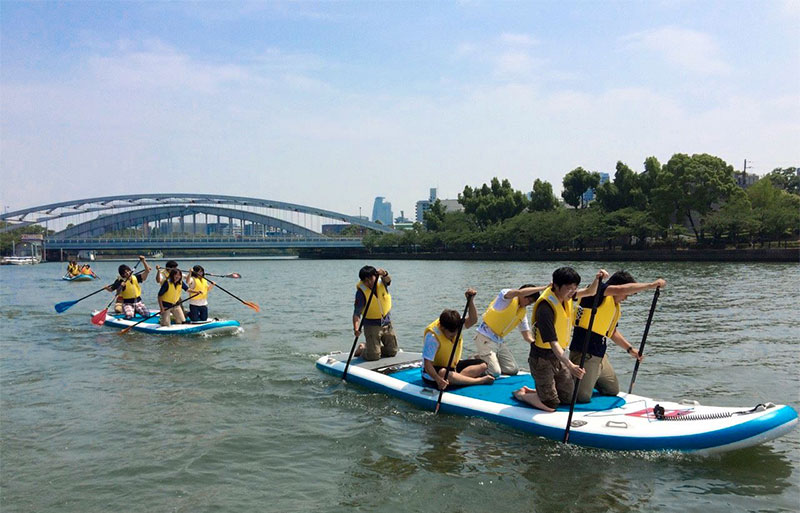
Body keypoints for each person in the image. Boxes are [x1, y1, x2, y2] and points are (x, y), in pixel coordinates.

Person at [514, 267, 607, 412]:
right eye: (569, 288)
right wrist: (570, 366)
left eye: (575, 288)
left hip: (558, 357)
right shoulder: (545, 308)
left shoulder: (566, 296)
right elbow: (553, 343)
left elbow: (590, 292)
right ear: (555, 286)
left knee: (569, 399)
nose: (573, 292)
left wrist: (597, 280)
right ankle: (522, 395)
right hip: (542, 360)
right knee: (550, 405)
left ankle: (538, 391)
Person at [569, 271, 667, 403]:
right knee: (581, 398)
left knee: (612, 390)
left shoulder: (614, 306)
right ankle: (573, 378)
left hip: (600, 356)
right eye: (626, 295)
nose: (625, 298)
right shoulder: (595, 293)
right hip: (584, 354)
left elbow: (612, 332)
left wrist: (630, 349)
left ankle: (590, 377)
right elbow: (622, 288)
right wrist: (651, 285)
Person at [422, 289, 495, 389]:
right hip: (434, 373)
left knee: (483, 365)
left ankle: (457, 379)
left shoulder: (456, 323)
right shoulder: (432, 337)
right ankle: (477, 381)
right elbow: (427, 365)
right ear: (443, 328)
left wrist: (470, 301)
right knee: (444, 373)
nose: (454, 336)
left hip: (452, 368)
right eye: (452, 335)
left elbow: (473, 320)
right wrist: (438, 380)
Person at [473, 284, 549, 377]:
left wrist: (539, 346)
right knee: (495, 372)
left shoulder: (522, 312)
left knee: (512, 370)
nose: (529, 304)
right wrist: (544, 288)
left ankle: (482, 358)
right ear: (523, 295)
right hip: (485, 337)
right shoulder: (506, 297)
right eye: (529, 300)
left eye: (531, 302)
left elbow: (527, 336)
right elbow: (519, 292)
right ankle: (475, 362)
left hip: (499, 341)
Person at [352, 265, 398, 361]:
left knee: (392, 352)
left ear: (375, 276)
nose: (369, 283)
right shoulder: (361, 293)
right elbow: (356, 313)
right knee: (374, 356)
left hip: (386, 323)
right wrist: (356, 328)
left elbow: (389, 280)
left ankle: (371, 347)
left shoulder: (382, 282)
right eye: (365, 281)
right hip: (371, 326)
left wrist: (384, 273)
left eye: (371, 279)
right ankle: (363, 349)